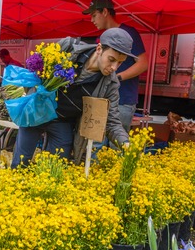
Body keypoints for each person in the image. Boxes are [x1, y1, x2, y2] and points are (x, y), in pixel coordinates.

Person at [11, 28, 134, 168]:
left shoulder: (110, 84)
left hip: (63, 121)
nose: (114, 67)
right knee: (21, 162)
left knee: (56, 169)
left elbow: (112, 121)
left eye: (120, 63)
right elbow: (37, 68)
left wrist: (125, 143)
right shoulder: (69, 47)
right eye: (111, 60)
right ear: (99, 49)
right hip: (37, 111)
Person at [83, 0, 148, 132]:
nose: (92, 20)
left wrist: (116, 78)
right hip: (100, 100)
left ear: (105, 12)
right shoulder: (101, 39)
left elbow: (143, 64)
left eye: (94, 15)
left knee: (116, 147)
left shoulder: (129, 33)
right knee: (96, 145)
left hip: (122, 101)